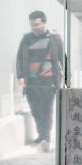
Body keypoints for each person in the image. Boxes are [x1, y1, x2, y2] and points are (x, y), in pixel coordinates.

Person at [16, 10, 64, 150]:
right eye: (32, 25)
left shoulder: (55, 38)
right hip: (31, 81)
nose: (34, 27)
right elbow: (19, 58)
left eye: (37, 24)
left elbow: (62, 58)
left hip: (49, 81)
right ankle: (42, 134)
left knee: (46, 109)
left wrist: (66, 77)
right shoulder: (26, 39)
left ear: (44, 23)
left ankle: (45, 138)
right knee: (35, 109)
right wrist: (20, 76)